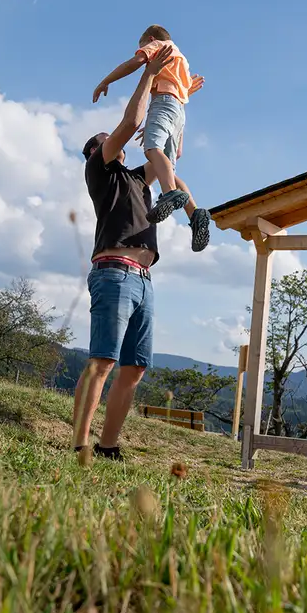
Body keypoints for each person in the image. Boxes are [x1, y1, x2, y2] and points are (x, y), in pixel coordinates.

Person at [72, 45, 201, 461]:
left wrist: (178, 95)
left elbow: (165, 157)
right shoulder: (100, 171)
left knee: (134, 368)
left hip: (144, 280)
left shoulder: (133, 178)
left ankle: (108, 446)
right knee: (103, 362)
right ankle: (79, 443)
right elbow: (131, 122)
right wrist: (148, 73)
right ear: (95, 150)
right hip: (114, 272)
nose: (113, 138)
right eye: (105, 139)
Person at [92, 24, 211, 252]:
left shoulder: (159, 46)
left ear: (150, 38)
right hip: (179, 110)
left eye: (143, 47)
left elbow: (134, 63)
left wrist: (106, 80)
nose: (143, 53)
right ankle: (194, 213)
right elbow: (178, 97)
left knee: (151, 148)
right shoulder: (182, 60)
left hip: (164, 103)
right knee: (168, 165)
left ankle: (169, 195)